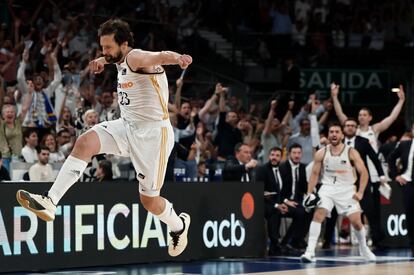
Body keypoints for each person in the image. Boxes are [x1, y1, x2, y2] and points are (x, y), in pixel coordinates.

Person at [16, 18, 192, 257]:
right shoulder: (120, 59)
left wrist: (178, 58)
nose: (104, 51)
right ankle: (51, 201)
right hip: (127, 126)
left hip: (153, 136)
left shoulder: (136, 57)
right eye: (102, 47)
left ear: (124, 44)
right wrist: (102, 60)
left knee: (150, 201)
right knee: (85, 142)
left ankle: (179, 226)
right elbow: (115, 60)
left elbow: (159, 56)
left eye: (108, 47)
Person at [300, 123, 376, 262]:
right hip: (327, 188)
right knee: (318, 215)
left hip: (347, 189)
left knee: (357, 222)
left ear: (342, 135)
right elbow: (315, 173)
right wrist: (309, 193)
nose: (334, 134)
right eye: (331, 132)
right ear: (328, 135)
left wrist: (360, 192)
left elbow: (364, 173)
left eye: (337, 132)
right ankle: (309, 252)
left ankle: (364, 249)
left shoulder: (351, 151)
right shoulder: (321, 152)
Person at [388, 122, 414, 255]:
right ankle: (412, 244)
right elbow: (391, 159)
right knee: (410, 214)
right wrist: (396, 176)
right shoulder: (405, 145)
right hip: (408, 182)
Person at [256, 147, 287, 255]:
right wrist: (276, 205)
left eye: (277, 155)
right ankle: (274, 244)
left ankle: (287, 243)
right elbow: (259, 191)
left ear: (281, 158)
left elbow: (283, 191)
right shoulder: (262, 169)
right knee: (275, 212)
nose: (274, 157)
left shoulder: (282, 169)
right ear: (269, 156)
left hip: (278, 203)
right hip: (262, 203)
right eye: (272, 155)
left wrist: (285, 202)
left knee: (301, 211)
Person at [278, 143, 309, 249]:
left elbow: (305, 188)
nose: (297, 155)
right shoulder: (281, 168)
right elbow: (277, 190)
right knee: (301, 213)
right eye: (294, 153)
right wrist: (286, 201)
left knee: (311, 211)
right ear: (289, 154)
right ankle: (286, 241)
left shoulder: (304, 168)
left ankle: (298, 239)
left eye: (299, 153)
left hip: (298, 201)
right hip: (284, 201)